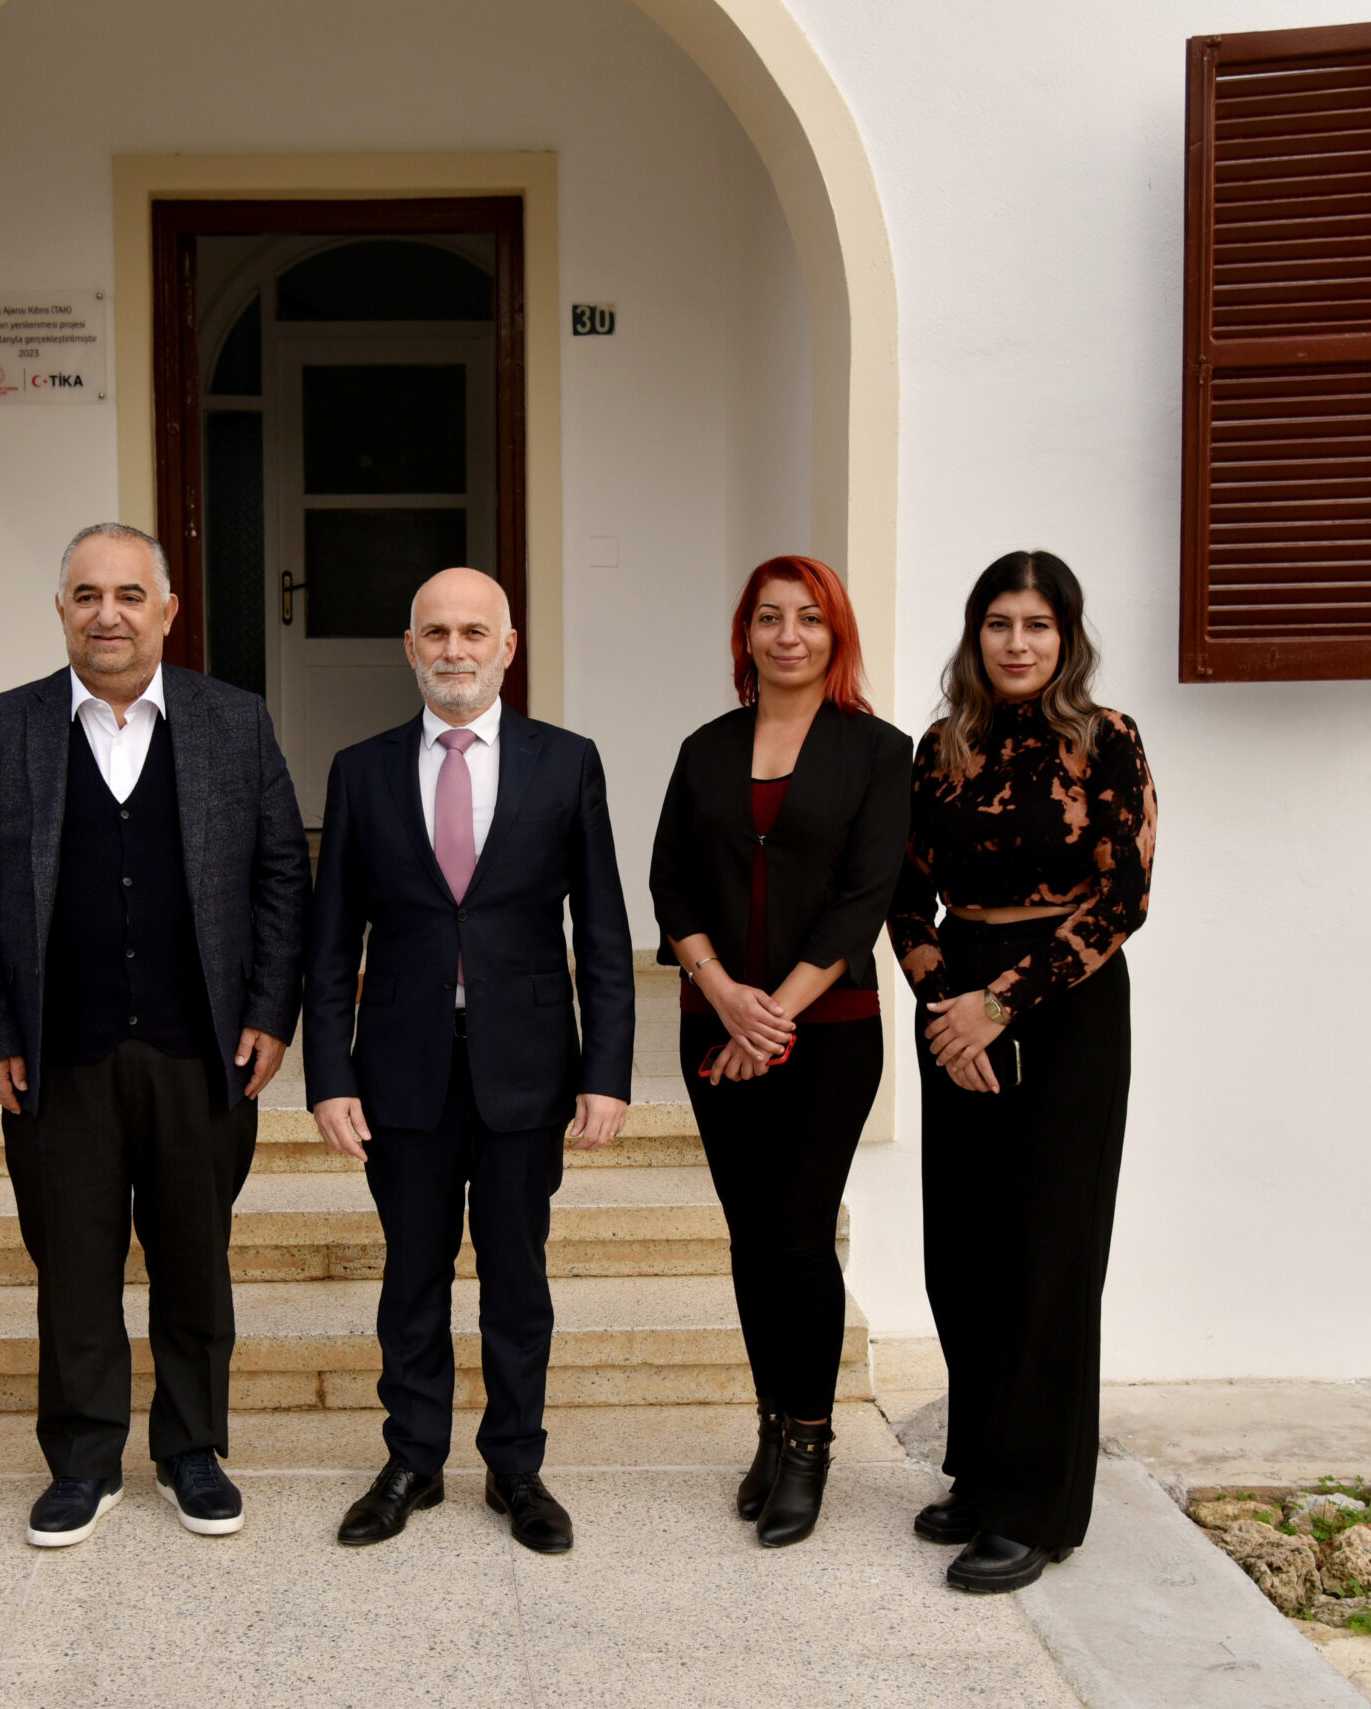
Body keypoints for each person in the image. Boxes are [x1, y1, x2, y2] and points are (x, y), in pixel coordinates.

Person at [0, 523, 308, 1549]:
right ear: (61, 609)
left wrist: (270, 1011)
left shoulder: (233, 720)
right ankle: (83, 1460)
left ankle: (193, 1449)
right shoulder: (0, 726)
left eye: (130, 595)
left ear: (168, 611)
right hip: (55, 1056)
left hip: (201, 1050)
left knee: (195, 1260)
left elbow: (283, 872)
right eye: (88, 595)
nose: (109, 614)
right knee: (73, 1266)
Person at [306, 567, 635, 1556]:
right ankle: (412, 1460)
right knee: (411, 1275)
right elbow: (331, 942)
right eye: (437, 632)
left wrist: (607, 1070)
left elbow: (603, 931)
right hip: (399, 1069)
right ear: (410, 647)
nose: (455, 649)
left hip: (526, 1069)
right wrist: (329, 1074)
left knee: (515, 1277)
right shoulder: (360, 770)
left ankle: (515, 1466)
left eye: (474, 632)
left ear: (508, 646)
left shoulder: (565, 762)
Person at [890, 549, 1156, 1594]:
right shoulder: (940, 748)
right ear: (976, 635)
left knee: (1049, 1253)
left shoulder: (1107, 740)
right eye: (998, 623)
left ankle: (1033, 1506)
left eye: (1037, 625)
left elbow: (1124, 897)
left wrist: (998, 1005)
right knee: (962, 1250)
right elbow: (904, 894)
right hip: (955, 1002)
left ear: (1066, 638)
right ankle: (980, 1467)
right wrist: (946, 1006)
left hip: (1066, 1008)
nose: (1016, 642)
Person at [646, 555, 910, 1548]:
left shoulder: (877, 751)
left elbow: (864, 896)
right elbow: (670, 883)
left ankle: (808, 1441)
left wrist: (775, 1018)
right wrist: (724, 995)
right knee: (749, 1234)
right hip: (713, 1025)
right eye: (768, 617)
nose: (788, 634)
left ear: (836, 633)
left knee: (798, 1233)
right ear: (745, 635)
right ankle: (769, 1426)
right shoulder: (704, 748)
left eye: (808, 617)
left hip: (829, 1033)